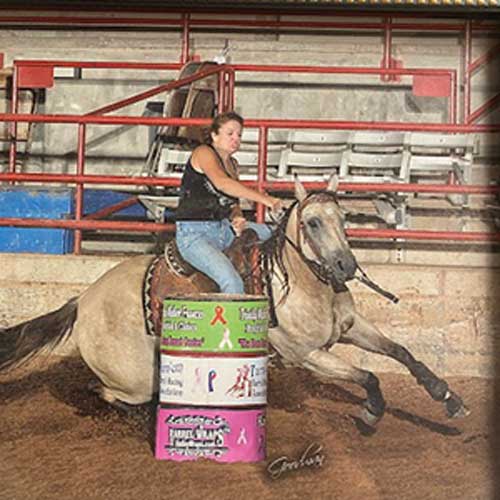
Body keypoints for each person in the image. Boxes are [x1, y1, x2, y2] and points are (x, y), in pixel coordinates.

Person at [174, 111, 282, 294]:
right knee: (232, 282)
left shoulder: (232, 164)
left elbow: (232, 202)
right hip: (194, 234)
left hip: (224, 228)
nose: (236, 139)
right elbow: (222, 184)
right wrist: (267, 200)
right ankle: (230, 322)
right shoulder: (203, 153)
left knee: (275, 234)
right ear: (214, 135)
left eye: (239, 135)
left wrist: (237, 216)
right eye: (230, 133)